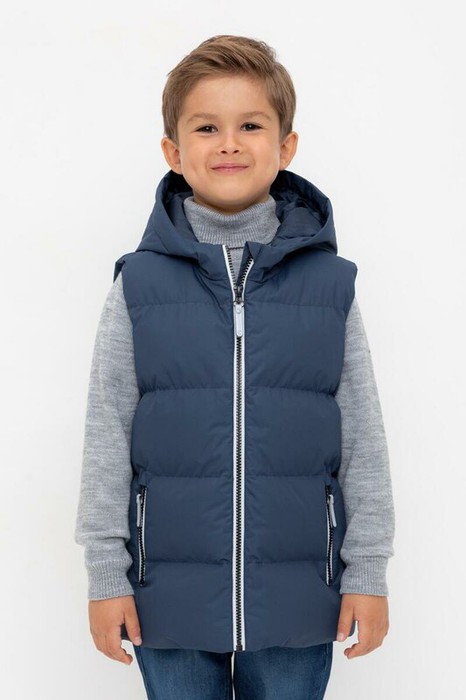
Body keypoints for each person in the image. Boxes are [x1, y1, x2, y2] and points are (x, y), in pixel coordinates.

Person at [74, 34, 395, 700]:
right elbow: (107, 433)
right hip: (167, 596)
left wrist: (367, 571)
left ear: (286, 147)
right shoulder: (139, 285)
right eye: (206, 128)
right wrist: (107, 575)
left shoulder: (329, 287)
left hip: (299, 596)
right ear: (173, 151)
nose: (228, 144)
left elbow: (362, 439)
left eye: (250, 125)